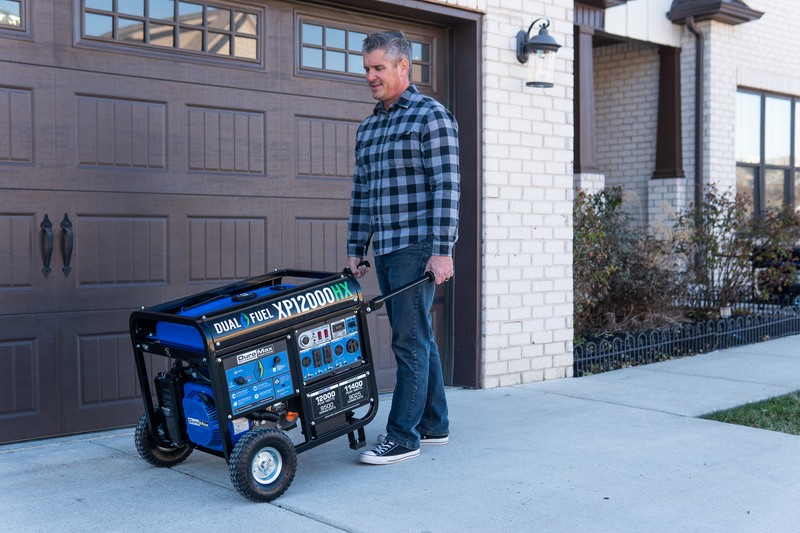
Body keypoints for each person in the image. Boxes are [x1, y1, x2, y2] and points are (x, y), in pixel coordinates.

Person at [345, 31, 460, 465]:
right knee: (420, 339)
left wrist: (442, 249)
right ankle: (434, 424)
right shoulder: (370, 127)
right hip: (386, 250)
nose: (370, 76)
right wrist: (356, 247)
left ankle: (402, 436)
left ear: (403, 67)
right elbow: (362, 192)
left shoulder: (431, 117)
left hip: (418, 245)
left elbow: (447, 187)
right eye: (367, 69)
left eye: (378, 68)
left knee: (408, 342)